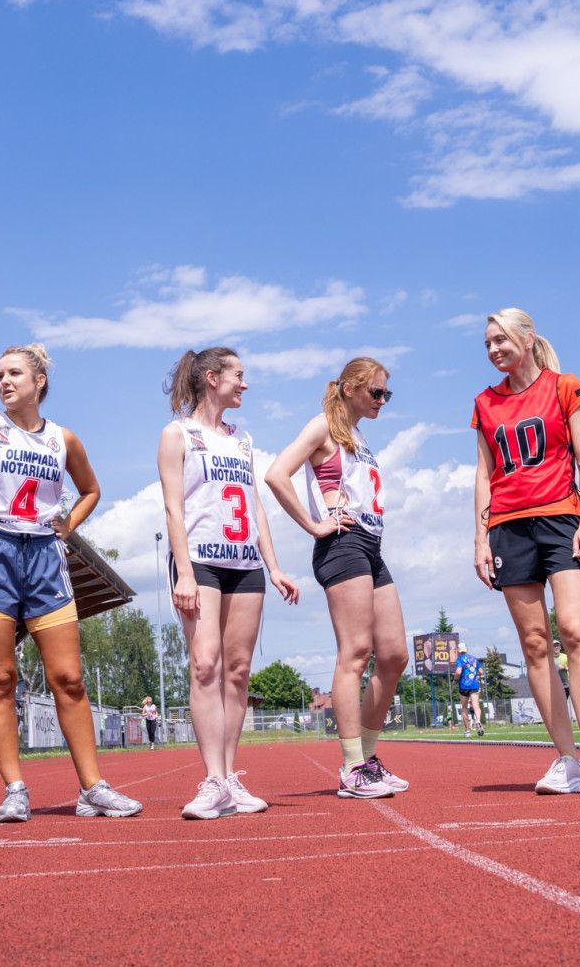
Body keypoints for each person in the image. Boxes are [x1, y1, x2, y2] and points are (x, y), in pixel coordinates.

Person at [0, 344, 142, 821]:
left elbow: (91, 490)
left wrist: (69, 524)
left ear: (39, 381)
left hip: (45, 557)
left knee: (69, 679)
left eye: (15, 373)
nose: (4, 381)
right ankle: (15, 789)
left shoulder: (64, 439)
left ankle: (93, 788)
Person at [472, 308, 580, 797]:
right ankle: (566, 759)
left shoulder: (565, 387)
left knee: (576, 631)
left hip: (562, 519)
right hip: (507, 528)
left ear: (527, 338)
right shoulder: (485, 403)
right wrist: (479, 538)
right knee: (535, 643)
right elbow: (484, 473)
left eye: (500, 340)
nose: (494, 349)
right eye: (488, 343)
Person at [159, 347, 298, 819]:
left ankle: (230, 778)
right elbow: (173, 508)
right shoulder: (178, 434)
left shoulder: (242, 440)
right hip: (199, 562)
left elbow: (255, 506)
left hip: (245, 565)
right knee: (206, 665)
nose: (245, 384)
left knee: (238, 672)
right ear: (212, 377)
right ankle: (212, 780)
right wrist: (183, 571)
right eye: (239, 375)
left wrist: (273, 566)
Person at [266, 358, 409, 797]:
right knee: (356, 652)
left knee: (394, 655)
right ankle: (352, 767)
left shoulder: (359, 437)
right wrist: (314, 525)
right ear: (349, 389)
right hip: (342, 544)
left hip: (371, 546)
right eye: (376, 392)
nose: (382, 400)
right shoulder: (322, 426)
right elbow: (275, 474)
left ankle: (367, 758)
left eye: (386, 394)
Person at [449, 642, 483, 738]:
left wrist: (455, 680)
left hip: (463, 686)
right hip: (474, 685)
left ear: (459, 651)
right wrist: (474, 674)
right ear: (466, 649)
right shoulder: (474, 659)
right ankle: (478, 721)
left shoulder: (459, 659)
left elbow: (458, 672)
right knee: (476, 706)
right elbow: (481, 671)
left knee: (464, 708)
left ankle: (468, 731)